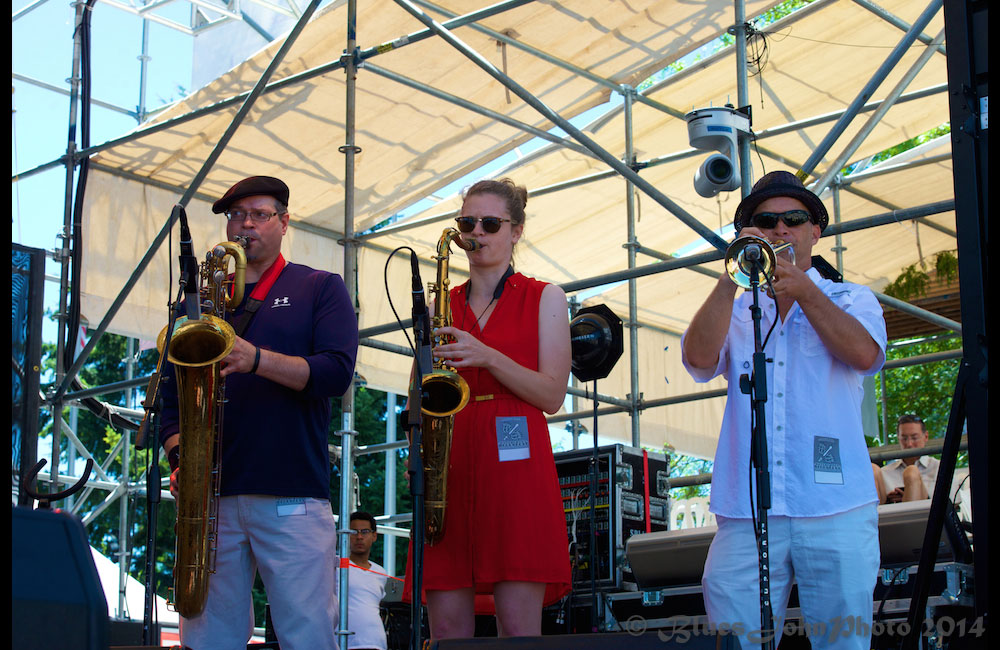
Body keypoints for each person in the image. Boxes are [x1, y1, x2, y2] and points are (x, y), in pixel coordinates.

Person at [682, 171, 887, 649]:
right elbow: (697, 359)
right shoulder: (736, 306)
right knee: (734, 639)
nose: (780, 230)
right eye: (765, 221)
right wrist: (728, 277)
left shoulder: (850, 298)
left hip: (835, 504)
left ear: (816, 231)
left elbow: (864, 355)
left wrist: (804, 291)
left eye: (793, 219)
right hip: (746, 505)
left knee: (844, 642)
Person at [159, 175, 359, 650]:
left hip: (291, 493)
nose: (246, 224)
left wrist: (256, 360)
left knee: (306, 634)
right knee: (207, 635)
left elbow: (335, 374)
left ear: (284, 222)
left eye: (260, 214)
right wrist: (179, 458)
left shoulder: (320, 287)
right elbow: (170, 397)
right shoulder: (198, 304)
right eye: (236, 215)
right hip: (211, 498)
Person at [405, 178, 572, 640]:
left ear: (515, 231)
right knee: (446, 631)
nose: (475, 231)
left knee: (518, 629)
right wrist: (415, 450)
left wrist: (488, 357)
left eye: (490, 223)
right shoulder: (443, 303)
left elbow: (552, 395)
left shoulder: (546, 296)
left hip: (516, 461)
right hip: (448, 460)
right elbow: (417, 393)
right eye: (466, 222)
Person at [341, 511, 390, 650]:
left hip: (377, 642)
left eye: (365, 531)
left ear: (374, 536)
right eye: (353, 532)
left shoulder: (381, 573)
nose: (359, 537)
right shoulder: (336, 566)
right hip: (346, 642)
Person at [876, 414, 939, 504]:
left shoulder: (939, 468)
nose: (909, 444)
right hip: (892, 516)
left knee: (912, 472)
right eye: (904, 438)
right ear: (898, 438)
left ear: (926, 436)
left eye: (914, 438)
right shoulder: (884, 473)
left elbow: (954, 505)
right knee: (874, 469)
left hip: (929, 515)